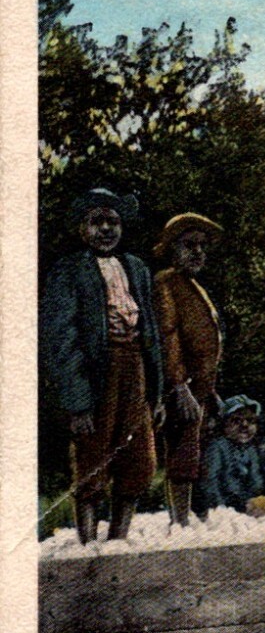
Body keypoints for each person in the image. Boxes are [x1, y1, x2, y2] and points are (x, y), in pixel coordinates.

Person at [42, 189, 166, 544]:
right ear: (83, 228)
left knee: (137, 456)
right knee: (93, 453)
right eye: (98, 222)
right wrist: (78, 402)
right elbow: (62, 340)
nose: (107, 229)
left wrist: (155, 395)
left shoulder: (137, 268)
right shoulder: (69, 271)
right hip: (97, 374)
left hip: (135, 370)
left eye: (113, 222)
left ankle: (117, 541)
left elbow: (151, 334)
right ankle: (86, 544)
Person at [152, 213, 225, 527]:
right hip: (179, 388)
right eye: (189, 245)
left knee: (197, 453)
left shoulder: (195, 287)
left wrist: (211, 391)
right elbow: (167, 336)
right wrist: (179, 387)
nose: (197, 252)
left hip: (200, 388)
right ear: (172, 249)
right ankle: (179, 521)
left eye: (202, 246)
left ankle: (195, 518)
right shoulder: (165, 282)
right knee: (182, 452)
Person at [199, 395, 265, 516]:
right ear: (224, 424)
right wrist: (222, 510)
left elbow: (256, 481)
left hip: (247, 508)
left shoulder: (251, 450)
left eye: (250, 421)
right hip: (222, 510)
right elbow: (210, 483)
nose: (245, 425)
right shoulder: (218, 447)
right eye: (236, 421)